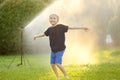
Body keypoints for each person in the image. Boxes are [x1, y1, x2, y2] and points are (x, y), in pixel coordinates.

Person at [34, 14, 89, 79]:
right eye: (51, 18)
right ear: (49, 20)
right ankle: (58, 77)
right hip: (53, 50)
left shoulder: (61, 27)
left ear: (57, 20)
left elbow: (71, 27)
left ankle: (66, 75)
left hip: (60, 49)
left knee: (57, 63)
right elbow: (43, 34)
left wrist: (82, 28)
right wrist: (36, 36)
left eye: (54, 18)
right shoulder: (49, 29)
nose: (52, 19)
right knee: (52, 65)